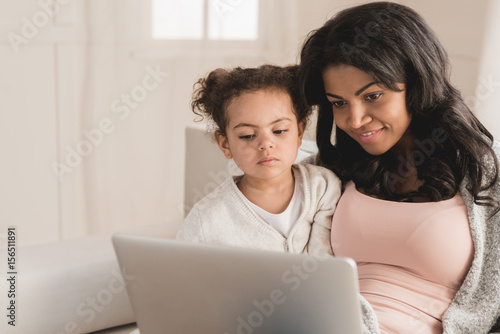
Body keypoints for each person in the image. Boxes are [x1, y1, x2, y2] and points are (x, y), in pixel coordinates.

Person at [297, 2, 500, 334]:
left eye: (373, 96)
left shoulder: (486, 173)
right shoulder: (324, 174)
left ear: (417, 84)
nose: (355, 119)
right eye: (339, 103)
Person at [176, 65, 341, 257]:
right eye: (247, 136)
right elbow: (182, 275)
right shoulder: (205, 219)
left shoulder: (323, 187)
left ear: (299, 133)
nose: (265, 144)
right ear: (225, 144)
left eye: (279, 131)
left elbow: (326, 263)